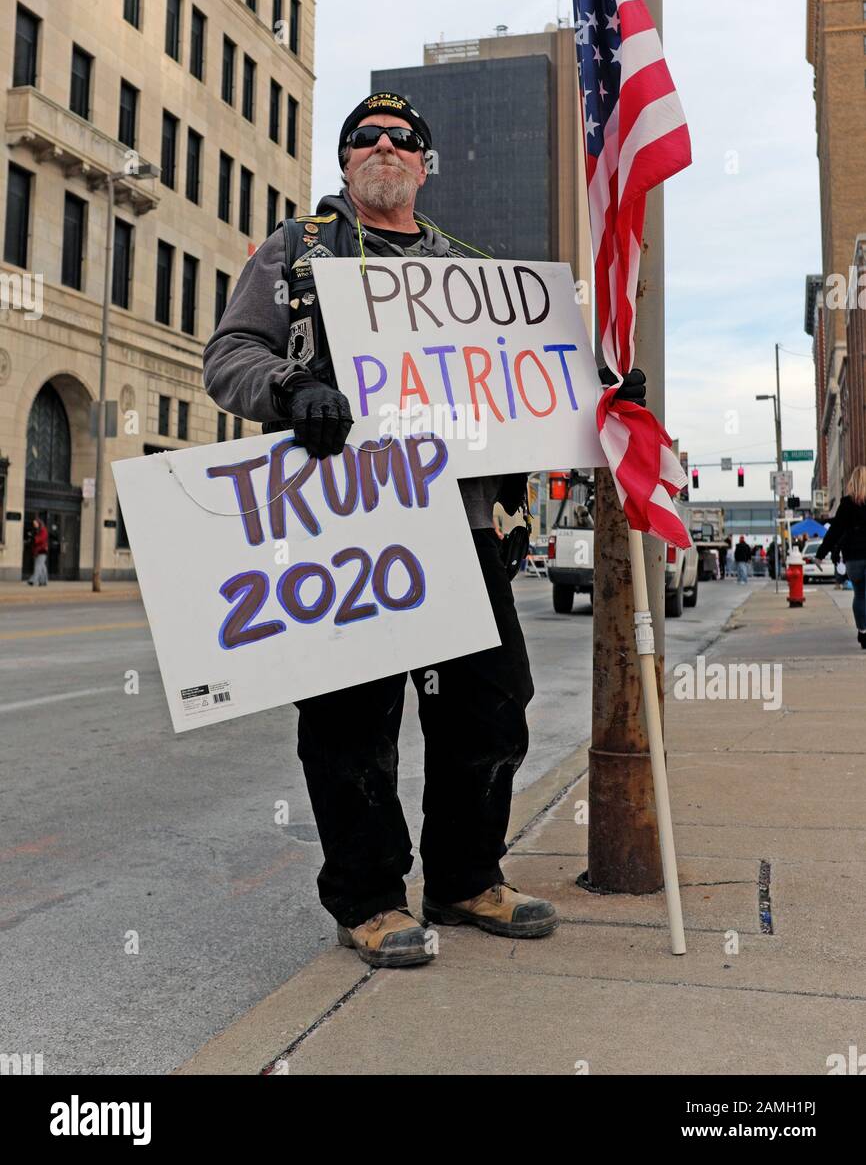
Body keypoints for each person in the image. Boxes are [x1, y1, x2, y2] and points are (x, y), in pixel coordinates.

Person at [203, 91, 645, 969]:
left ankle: (465, 877)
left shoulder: (478, 277)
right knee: (351, 723)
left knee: (491, 708)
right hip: (346, 529)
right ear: (343, 161)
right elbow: (229, 359)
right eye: (364, 137)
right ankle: (368, 899)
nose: (385, 147)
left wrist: (604, 402)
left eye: (404, 140)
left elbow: (540, 387)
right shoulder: (294, 253)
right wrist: (293, 392)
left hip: (461, 530)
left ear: (425, 164)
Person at [816, 467, 866, 648]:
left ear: (852, 482)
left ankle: (863, 631)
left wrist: (820, 555)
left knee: (860, 594)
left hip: (853, 557)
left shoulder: (846, 504)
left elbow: (834, 531)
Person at [27, 516, 49, 587]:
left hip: (42, 550)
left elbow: (41, 539)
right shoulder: (36, 530)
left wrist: (33, 538)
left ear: (39, 523)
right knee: (42, 567)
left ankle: (33, 580)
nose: (34, 525)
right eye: (34, 524)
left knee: (38, 567)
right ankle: (44, 582)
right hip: (37, 551)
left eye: (35, 523)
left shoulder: (43, 530)